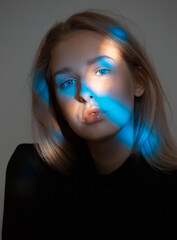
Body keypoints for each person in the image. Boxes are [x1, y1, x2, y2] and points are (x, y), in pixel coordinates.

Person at [2, 9, 177, 240]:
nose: (84, 93)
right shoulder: (32, 171)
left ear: (138, 81)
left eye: (102, 70)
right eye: (67, 82)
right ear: (58, 106)